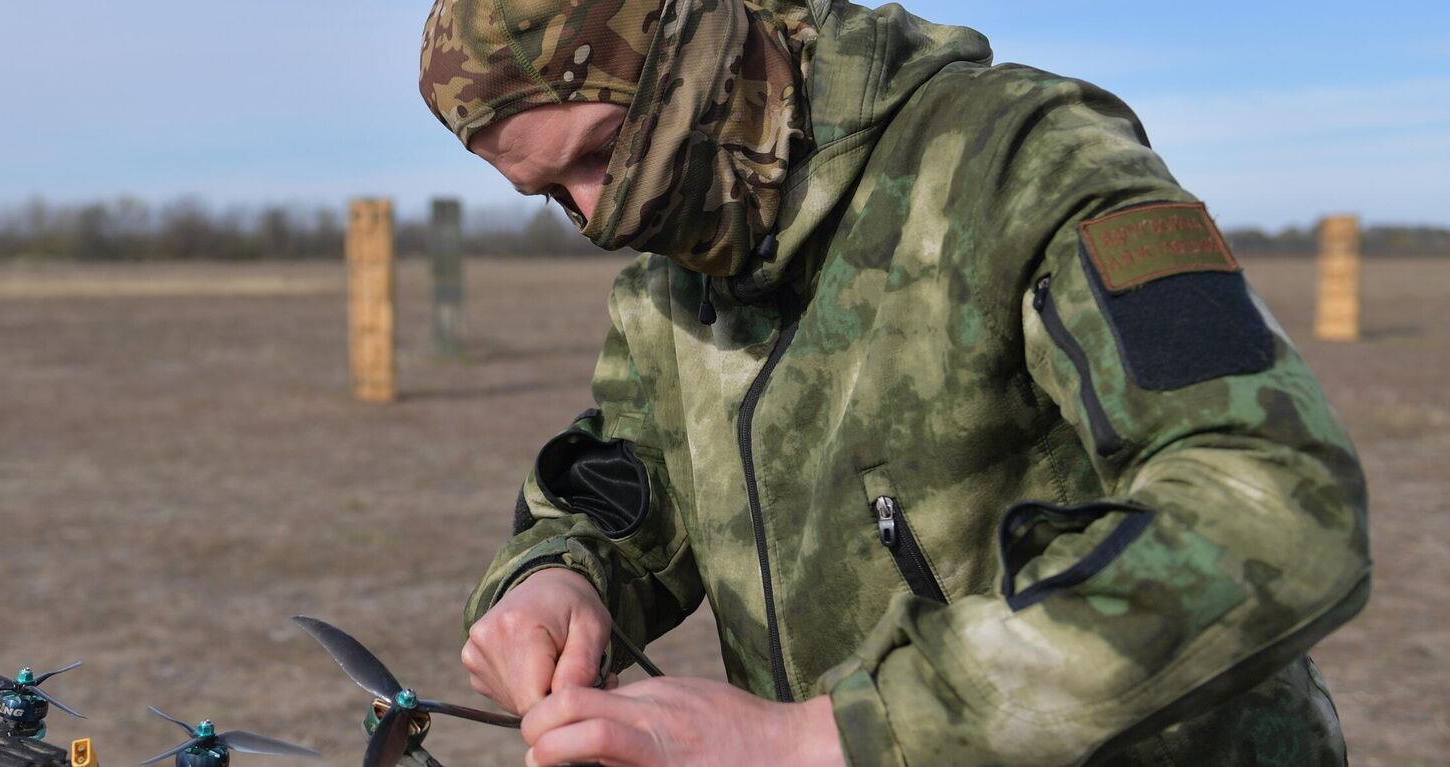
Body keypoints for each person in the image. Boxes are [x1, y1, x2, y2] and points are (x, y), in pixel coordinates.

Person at [419, 0, 1371, 765]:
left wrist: (826, 738)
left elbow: (1275, 504)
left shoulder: (1020, 160)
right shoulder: (672, 278)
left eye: (603, 149)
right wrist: (554, 579)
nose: (601, 218)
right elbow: (632, 489)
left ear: (691, 50)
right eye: (551, 194)